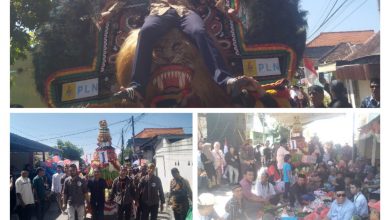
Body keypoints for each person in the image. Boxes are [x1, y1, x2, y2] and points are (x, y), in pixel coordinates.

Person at [105, 0, 260, 104]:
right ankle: (137, 87)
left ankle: (225, 81)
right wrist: (110, 12)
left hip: (185, 13)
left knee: (199, 31)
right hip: (159, 12)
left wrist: (227, 9)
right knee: (145, 32)